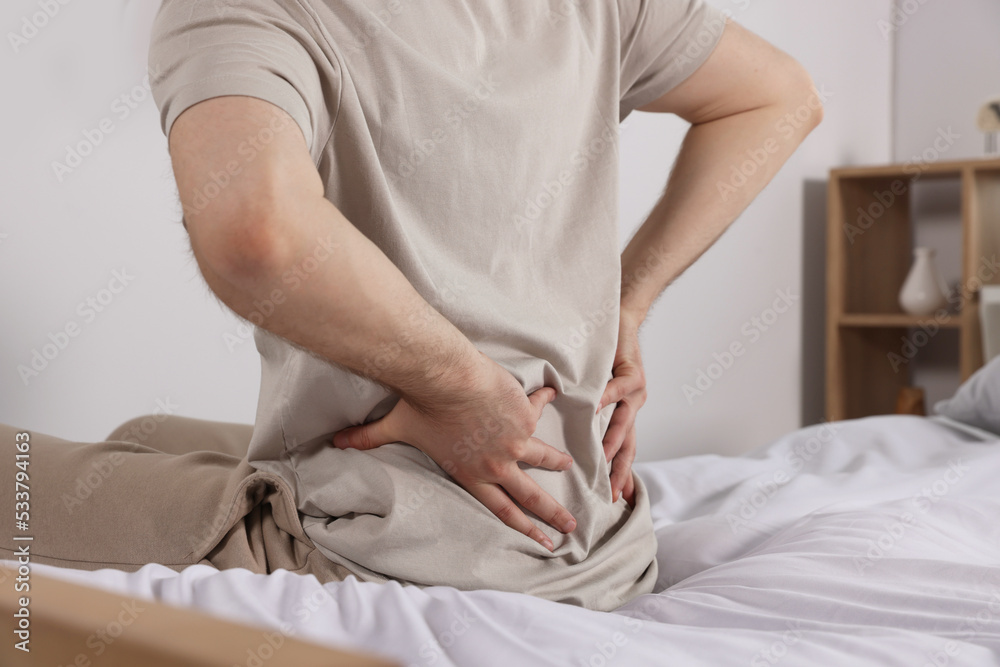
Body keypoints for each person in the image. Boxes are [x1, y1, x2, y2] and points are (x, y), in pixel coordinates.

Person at [1, 0, 821, 612]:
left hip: (374, 549)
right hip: (597, 542)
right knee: (144, 436)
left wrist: (461, 389)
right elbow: (782, 97)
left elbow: (255, 232)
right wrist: (628, 303)